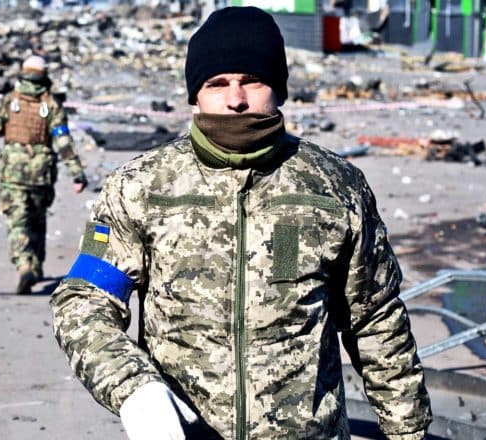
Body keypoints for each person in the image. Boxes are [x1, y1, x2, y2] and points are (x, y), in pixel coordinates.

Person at [50, 7, 431, 440]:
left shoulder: (333, 186)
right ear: (196, 95)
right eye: (217, 84)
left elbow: (376, 320)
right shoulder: (142, 188)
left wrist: (408, 432)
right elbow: (84, 301)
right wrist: (134, 389)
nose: (236, 99)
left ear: (279, 89)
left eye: (252, 80)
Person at [0, 55, 88, 294]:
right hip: (41, 173)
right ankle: (36, 266)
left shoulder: (9, 101)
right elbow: (63, 142)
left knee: (18, 222)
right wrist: (77, 174)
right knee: (38, 221)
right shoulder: (52, 105)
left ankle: (24, 264)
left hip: (12, 174)